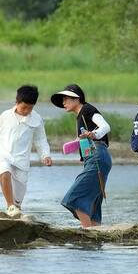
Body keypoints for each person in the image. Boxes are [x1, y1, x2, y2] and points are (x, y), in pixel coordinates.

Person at [0, 85, 52, 217]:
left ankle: (15, 208)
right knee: (4, 171)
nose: (26, 111)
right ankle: (10, 206)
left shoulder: (36, 119)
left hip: (21, 159)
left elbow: (40, 140)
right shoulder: (5, 116)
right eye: (24, 107)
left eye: (30, 108)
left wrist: (45, 155)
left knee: (18, 199)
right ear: (17, 102)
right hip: (3, 154)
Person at [51, 84, 112, 227]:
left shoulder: (87, 110)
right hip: (95, 158)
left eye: (66, 99)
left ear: (77, 98)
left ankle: (87, 232)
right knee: (94, 202)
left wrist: (94, 134)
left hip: (97, 156)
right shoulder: (80, 116)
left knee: (75, 197)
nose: (63, 102)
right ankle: (95, 235)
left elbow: (105, 126)